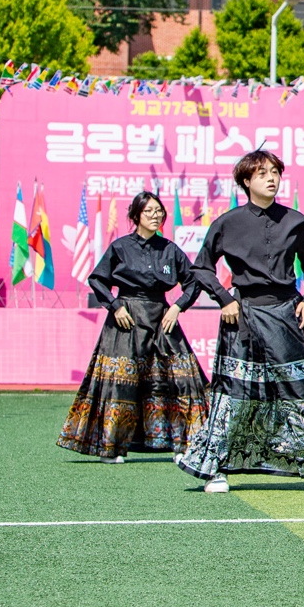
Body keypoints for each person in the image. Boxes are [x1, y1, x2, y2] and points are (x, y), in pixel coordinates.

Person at [178, 150, 304, 494]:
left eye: (275, 172)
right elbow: (201, 267)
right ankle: (217, 469)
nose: (271, 179)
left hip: (290, 314)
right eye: (262, 174)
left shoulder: (296, 221)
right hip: (243, 316)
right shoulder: (227, 223)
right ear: (246, 181)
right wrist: (225, 299)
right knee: (235, 395)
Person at [58, 191, 208, 463]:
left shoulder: (170, 249)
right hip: (126, 320)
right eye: (149, 211)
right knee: (121, 383)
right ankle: (110, 447)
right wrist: (115, 306)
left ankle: (183, 445)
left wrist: (177, 307)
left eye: (159, 211)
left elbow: (194, 282)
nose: (155, 216)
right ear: (136, 216)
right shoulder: (120, 247)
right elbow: (98, 280)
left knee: (179, 380)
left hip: (163, 318)